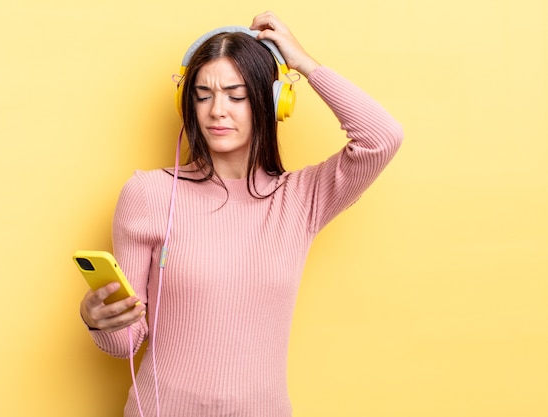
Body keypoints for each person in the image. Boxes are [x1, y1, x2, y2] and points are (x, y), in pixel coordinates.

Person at [79, 11, 403, 417]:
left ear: (270, 102)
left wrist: (303, 63)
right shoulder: (149, 193)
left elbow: (382, 137)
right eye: (203, 94)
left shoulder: (301, 198)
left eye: (237, 95)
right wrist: (99, 321)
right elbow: (125, 344)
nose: (217, 110)